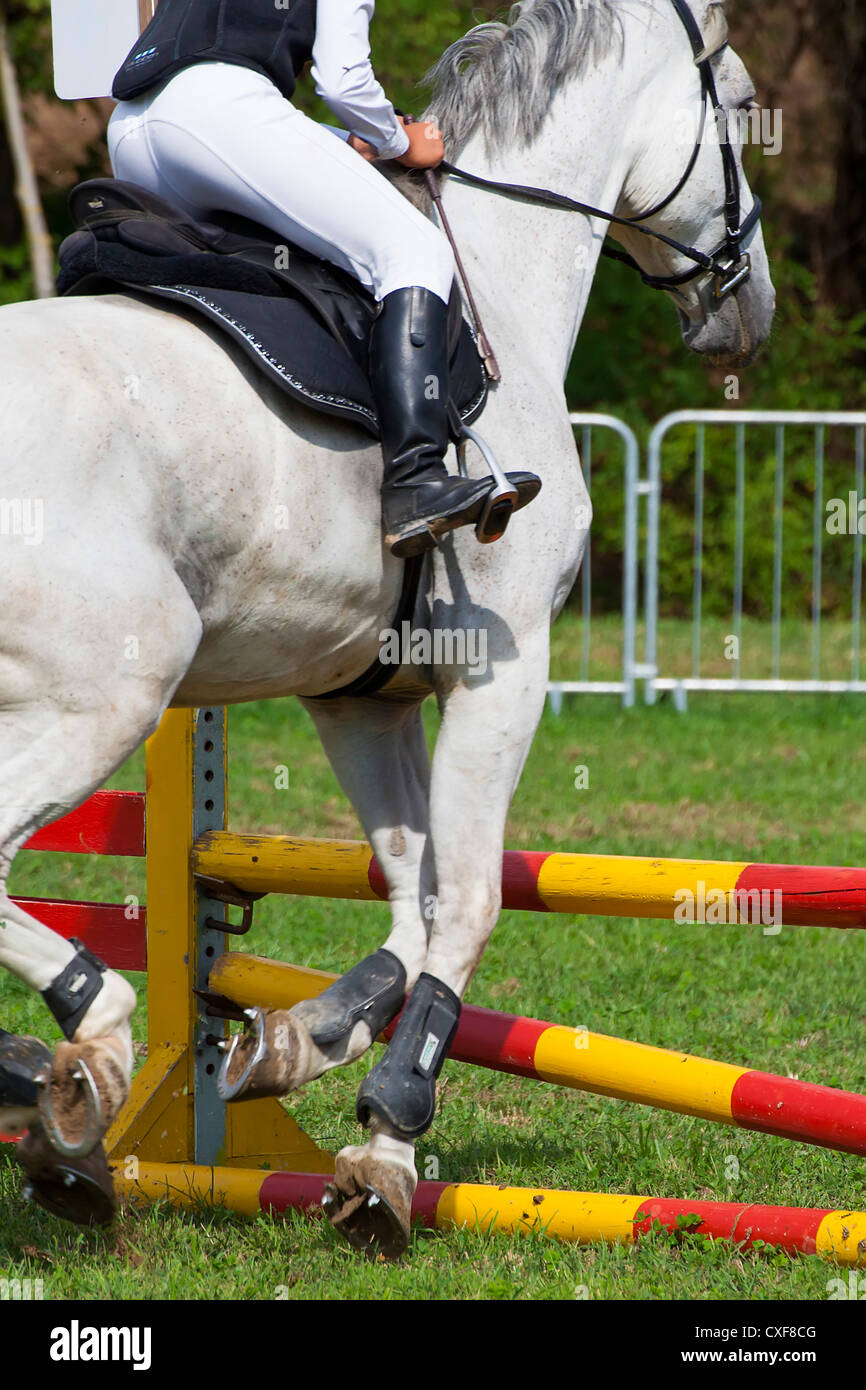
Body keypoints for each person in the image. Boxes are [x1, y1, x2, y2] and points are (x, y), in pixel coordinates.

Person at [107, 0, 540, 558]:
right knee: (412, 250)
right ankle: (416, 479)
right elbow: (342, 79)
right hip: (221, 111)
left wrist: (348, 141)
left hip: (132, 130)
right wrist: (399, 142)